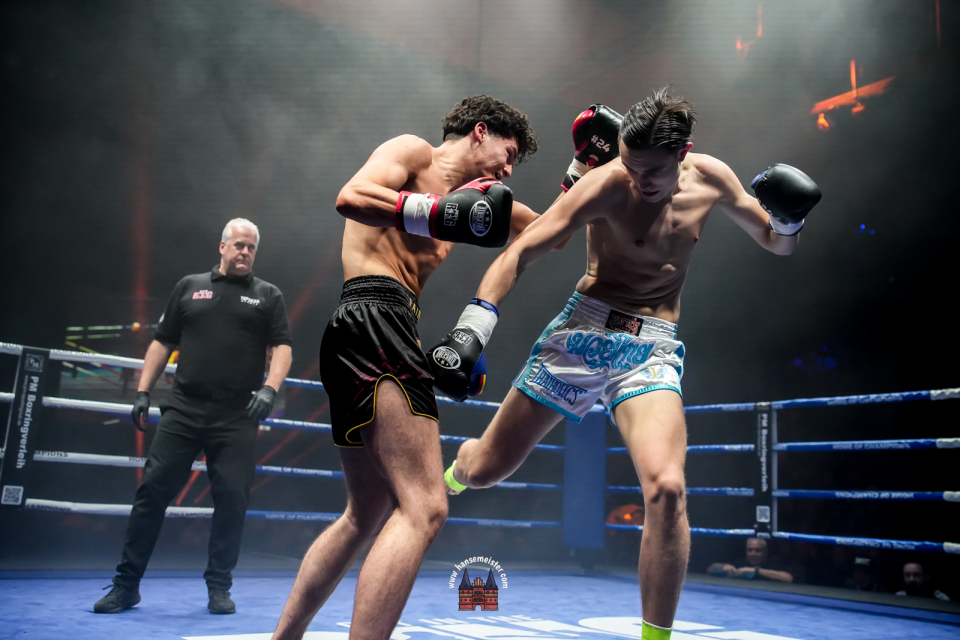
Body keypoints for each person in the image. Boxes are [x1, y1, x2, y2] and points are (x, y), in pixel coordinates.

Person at [434, 87, 821, 640]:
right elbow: (522, 250)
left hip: (651, 348)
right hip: (583, 332)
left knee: (667, 489)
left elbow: (776, 243)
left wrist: (788, 223)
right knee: (486, 471)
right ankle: (455, 473)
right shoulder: (606, 183)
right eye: (629, 165)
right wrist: (473, 327)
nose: (638, 179)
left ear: (683, 153)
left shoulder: (713, 178)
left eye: (652, 171)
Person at [271, 95, 541, 640]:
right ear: (480, 132)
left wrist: (585, 170)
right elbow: (350, 197)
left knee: (365, 513)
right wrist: (434, 211)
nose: (509, 170)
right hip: (375, 315)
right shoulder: (415, 152)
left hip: (371, 329)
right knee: (426, 507)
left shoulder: (483, 201)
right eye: (508, 154)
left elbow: (554, 229)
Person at [94, 218, 293, 615]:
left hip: (236, 413)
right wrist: (142, 392)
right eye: (239, 245)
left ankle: (219, 588)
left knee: (232, 499)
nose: (245, 252)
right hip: (184, 407)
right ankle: (126, 585)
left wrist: (270, 389)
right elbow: (162, 342)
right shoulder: (189, 286)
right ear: (222, 246)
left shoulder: (267, 295)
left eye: (252, 247)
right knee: (152, 492)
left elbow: (283, 347)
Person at [707, 537, 794, 583]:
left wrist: (756, 571)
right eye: (750, 550)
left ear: (765, 552)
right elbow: (710, 568)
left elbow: (788, 578)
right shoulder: (742, 562)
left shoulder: (771, 564)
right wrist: (724, 566)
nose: (753, 554)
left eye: (758, 550)